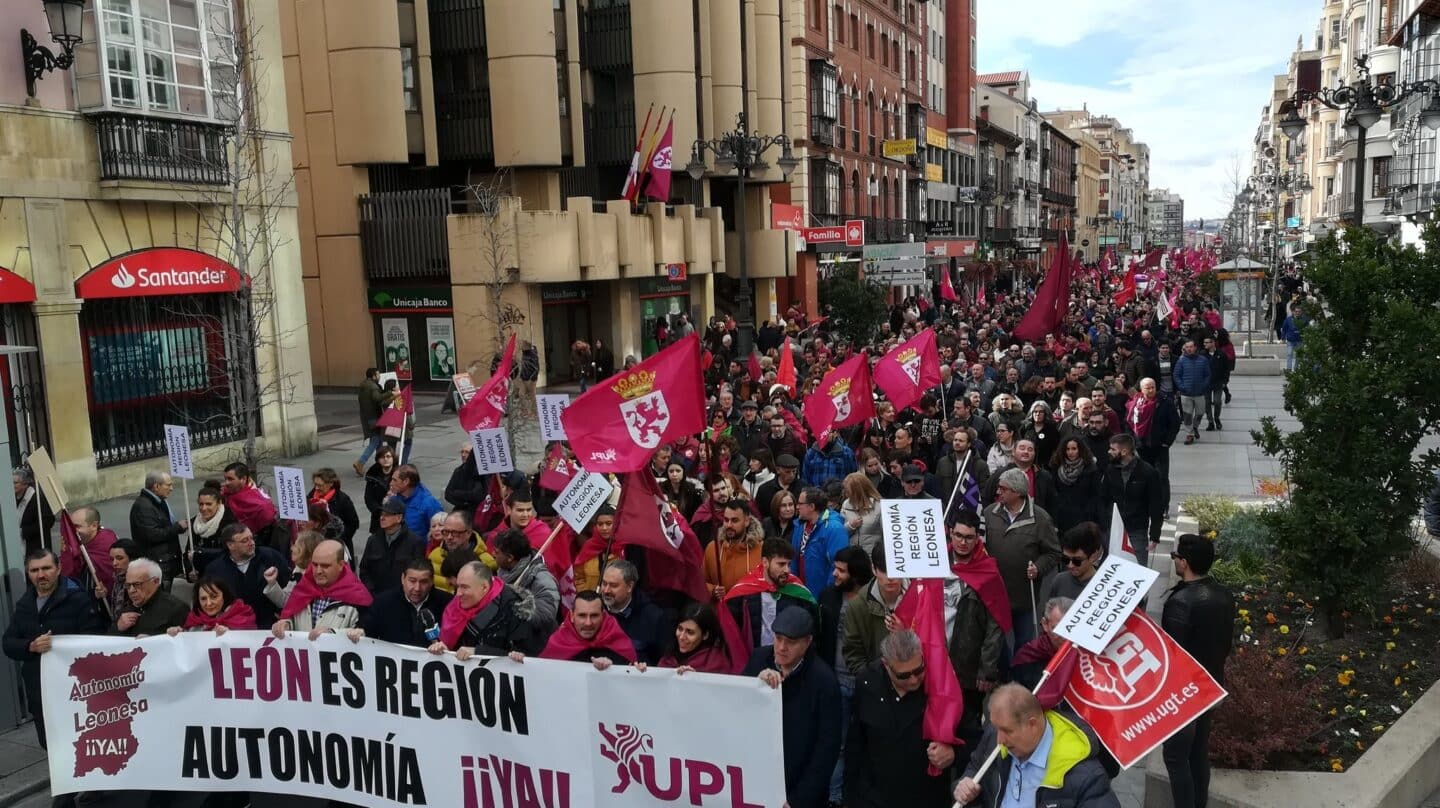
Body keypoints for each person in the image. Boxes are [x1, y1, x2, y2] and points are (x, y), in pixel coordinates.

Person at [3, 548, 108, 748]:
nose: (40, 575)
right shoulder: (25, 605)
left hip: (74, 691)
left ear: (58, 568)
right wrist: (30, 646)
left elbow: (94, 641)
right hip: (40, 692)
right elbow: (8, 643)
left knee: (80, 746)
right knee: (49, 745)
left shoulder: (78, 600)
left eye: (46, 568)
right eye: (34, 570)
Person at [952, 684, 1121, 808]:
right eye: (996, 728)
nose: (1000, 740)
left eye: (1007, 731)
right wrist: (964, 789)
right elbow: (974, 770)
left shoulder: (1085, 775)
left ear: (1032, 724)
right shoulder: (994, 738)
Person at [1162, 534, 1236, 808]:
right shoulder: (1224, 594)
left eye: (1177, 559)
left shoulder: (1180, 602)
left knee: (1176, 756)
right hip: (1211, 684)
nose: (1175, 564)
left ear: (1185, 562)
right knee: (1198, 752)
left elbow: (1172, 655)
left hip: (1185, 693)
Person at [845, 630, 957, 808]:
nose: (913, 680)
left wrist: (953, 753)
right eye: (903, 675)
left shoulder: (941, 685)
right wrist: (850, 798)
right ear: (886, 665)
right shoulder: (867, 682)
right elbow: (855, 744)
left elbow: (974, 740)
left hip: (926, 798)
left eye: (919, 670)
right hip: (875, 797)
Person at [744, 608, 842, 808]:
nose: (781, 647)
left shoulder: (824, 682)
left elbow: (826, 749)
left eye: (791, 642)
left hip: (799, 791)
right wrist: (755, 686)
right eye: (778, 638)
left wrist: (797, 800)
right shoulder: (758, 660)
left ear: (807, 642)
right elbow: (732, 704)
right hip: (758, 783)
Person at [983, 467, 1060, 650]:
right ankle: (1000, 675)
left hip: (1024, 595)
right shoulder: (988, 513)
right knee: (994, 643)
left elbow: (1054, 552)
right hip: (994, 594)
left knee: (1024, 643)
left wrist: (1038, 568)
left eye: (1002, 488)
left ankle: (1022, 676)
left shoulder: (1040, 518)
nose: (997, 491)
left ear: (1016, 492)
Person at [722, 538, 819, 655]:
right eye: (781, 564)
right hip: (753, 659)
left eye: (789, 564)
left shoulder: (799, 594)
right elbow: (731, 634)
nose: (787, 570)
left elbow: (810, 633)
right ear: (765, 562)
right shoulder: (744, 592)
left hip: (788, 659)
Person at [430, 560, 540, 657]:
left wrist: (478, 652)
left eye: (464, 587)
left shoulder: (515, 607)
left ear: (484, 587)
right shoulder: (454, 606)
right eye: (458, 586)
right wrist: (444, 650)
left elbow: (523, 654)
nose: (458, 593)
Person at [273, 540, 373, 638]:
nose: (318, 571)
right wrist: (286, 624)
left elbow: (365, 634)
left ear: (341, 565)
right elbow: (292, 616)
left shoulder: (358, 597)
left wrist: (332, 634)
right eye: (315, 565)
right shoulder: (303, 588)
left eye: (325, 566)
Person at [205, 524, 290, 629]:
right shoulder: (215, 570)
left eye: (252, 538)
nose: (252, 543)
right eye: (245, 541)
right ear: (231, 545)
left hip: (269, 626)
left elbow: (289, 591)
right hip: (232, 630)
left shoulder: (271, 557)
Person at [1102, 434, 1166, 567]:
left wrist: (1155, 534)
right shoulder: (1110, 470)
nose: (1109, 452)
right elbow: (1103, 498)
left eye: (1113, 449)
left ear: (1124, 451)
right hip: (1114, 529)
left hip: (1136, 530)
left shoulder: (1148, 473)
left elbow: (1156, 505)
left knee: (1137, 571)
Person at [842, 544, 908, 675]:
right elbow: (853, 654)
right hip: (877, 686)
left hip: (915, 682)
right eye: (884, 570)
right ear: (874, 569)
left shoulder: (920, 598)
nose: (890, 577)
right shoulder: (858, 606)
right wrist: (873, 684)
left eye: (896, 569)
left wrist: (905, 633)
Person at [363, 558, 454, 648]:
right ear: (403, 578)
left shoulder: (447, 603)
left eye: (423, 582)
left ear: (431, 581)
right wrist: (361, 632)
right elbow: (367, 630)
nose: (417, 588)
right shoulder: (383, 602)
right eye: (412, 581)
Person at [535, 590, 636, 669]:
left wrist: (613, 665)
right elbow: (538, 675)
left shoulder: (617, 639)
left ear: (603, 616)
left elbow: (631, 678)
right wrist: (520, 662)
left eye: (594, 615)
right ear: (572, 616)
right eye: (582, 615)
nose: (588, 623)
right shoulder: (557, 642)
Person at [493, 527, 561, 636]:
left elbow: (546, 617)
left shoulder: (542, 580)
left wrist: (516, 603)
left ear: (510, 557)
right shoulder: (501, 573)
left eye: (496, 552)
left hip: (534, 644)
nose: (493, 554)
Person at [599, 559, 668, 664]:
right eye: (604, 584)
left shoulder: (653, 617)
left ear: (630, 587)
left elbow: (662, 661)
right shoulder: (593, 610)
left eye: (613, 585)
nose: (606, 590)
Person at [129, 469, 189, 586]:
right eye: (168, 485)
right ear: (156, 486)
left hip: (167, 561)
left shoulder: (159, 502)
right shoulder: (143, 507)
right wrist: (177, 527)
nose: (171, 488)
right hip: (160, 564)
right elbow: (152, 535)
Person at [360, 495, 427, 594]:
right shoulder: (373, 540)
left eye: (387, 514)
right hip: (376, 597)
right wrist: (371, 590)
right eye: (381, 514)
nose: (382, 518)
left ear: (399, 518)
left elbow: (418, 573)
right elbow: (364, 569)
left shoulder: (415, 542)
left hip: (402, 597)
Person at [704, 500, 766, 600]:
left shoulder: (761, 550)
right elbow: (701, 582)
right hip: (720, 610)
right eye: (726, 520)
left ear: (746, 521)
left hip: (748, 611)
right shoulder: (712, 548)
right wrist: (713, 590)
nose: (729, 525)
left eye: (734, 520)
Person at [794, 486, 849, 597]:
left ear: (811, 506)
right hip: (800, 592)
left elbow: (838, 565)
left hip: (821, 596)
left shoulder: (835, 529)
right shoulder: (799, 525)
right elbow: (794, 558)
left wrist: (828, 595)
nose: (797, 507)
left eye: (800, 504)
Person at [115, 558, 190, 637]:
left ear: (155, 581)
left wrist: (153, 640)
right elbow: (108, 641)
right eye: (128, 585)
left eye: (137, 584)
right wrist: (118, 628)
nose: (131, 590)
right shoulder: (127, 608)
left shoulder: (176, 609)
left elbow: (187, 642)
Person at [429, 510, 497, 593]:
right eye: (446, 532)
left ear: (468, 533)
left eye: (455, 533)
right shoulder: (434, 555)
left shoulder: (486, 561)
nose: (449, 537)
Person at [656, 602, 733, 673]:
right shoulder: (669, 656)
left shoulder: (716, 663)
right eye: (680, 629)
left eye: (690, 632)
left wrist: (695, 679)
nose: (682, 637)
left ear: (705, 635)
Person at [166, 575, 256, 635]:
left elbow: (251, 643)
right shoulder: (194, 620)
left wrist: (230, 635)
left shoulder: (242, 615)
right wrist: (179, 634)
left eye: (214, 596)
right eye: (203, 599)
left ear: (224, 595)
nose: (208, 603)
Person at [60, 505, 117, 598]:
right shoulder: (81, 542)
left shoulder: (106, 542)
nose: (72, 531)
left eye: (77, 526)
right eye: (71, 527)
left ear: (94, 526)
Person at [1049, 438, 1102, 534]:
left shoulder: (1090, 469)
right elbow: (1053, 493)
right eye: (1067, 449)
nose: (1070, 452)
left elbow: (1095, 495)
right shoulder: (1056, 466)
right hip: (1062, 517)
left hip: (1084, 517)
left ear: (1080, 450)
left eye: (1074, 449)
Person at [1042, 522, 1105, 603]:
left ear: (1093, 556)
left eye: (1077, 561)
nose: (1070, 565)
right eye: (1066, 559)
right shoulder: (1059, 581)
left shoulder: (1103, 588)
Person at [221, 462, 279, 549]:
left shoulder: (261, 505)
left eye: (230, 479)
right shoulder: (226, 493)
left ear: (243, 479)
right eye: (225, 479)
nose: (226, 483)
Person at [354, 367, 397, 475]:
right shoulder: (372, 387)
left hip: (367, 417)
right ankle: (360, 462)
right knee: (376, 440)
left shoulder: (364, 385)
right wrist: (390, 393)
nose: (379, 377)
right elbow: (378, 399)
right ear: (373, 375)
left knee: (379, 442)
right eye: (378, 375)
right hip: (374, 417)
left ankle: (380, 464)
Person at [188, 481, 236, 577]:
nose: (204, 508)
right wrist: (190, 572)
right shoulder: (194, 522)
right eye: (201, 504)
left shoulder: (230, 522)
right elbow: (188, 551)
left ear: (219, 503)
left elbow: (232, 552)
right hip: (202, 577)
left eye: (209, 504)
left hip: (225, 576)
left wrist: (200, 553)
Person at [309, 467, 360, 556]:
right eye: (315, 484)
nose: (316, 488)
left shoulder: (342, 500)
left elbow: (353, 523)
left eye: (320, 485)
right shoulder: (311, 496)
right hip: (316, 544)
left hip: (337, 547)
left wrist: (339, 540)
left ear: (331, 484)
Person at [573, 505, 623, 593]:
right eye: (600, 524)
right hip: (591, 602)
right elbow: (578, 576)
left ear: (616, 524)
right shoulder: (588, 546)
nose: (604, 528)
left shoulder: (623, 546)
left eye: (608, 524)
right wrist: (585, 594)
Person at [388, 464, 445, 538]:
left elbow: (441, 533)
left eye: (394, 480)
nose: (391, 483)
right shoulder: (394, 499)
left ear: (406, 481)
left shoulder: (429, 504)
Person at [1173, 340, 1211, 446]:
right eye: (1187, 347)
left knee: (1200, 413)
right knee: (1187, 415)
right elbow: (1176, 375)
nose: (1189, 349)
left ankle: (1195, 427)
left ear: (1195, 347)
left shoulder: (1203, 360)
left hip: (1200, 393)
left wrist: (1204, 386)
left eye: (1191, 347)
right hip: (1186, 394)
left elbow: (1208, 375)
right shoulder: (1181, 360)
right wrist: (1182, 387)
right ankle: (1189, 434)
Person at [840, 472, 884, 554]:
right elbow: (840, 532)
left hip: (872, 557)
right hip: (852, 556)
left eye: (848, 491)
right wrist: (850, 526)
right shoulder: (846, 504)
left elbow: (886, 535)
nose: (846, 494)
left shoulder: (879, 506)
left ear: (858, 491)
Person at [13, 468, 54, 555]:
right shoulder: (13, 498)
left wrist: (23, 532)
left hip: (36, 545)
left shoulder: (38, 499)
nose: (12, 485)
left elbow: (48, 521)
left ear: (25, 484)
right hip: (20, 544)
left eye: (15, 483)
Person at [444, 443, 488, 516]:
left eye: (467, 452)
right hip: (461, 510)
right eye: (462, 452)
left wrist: (458, 493)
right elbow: (448, 494)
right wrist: (465, 502)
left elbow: (477, 495)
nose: (463, 455)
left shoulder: (482, 473)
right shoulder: (458, 471)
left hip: (477, 512)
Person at [102, 538, 142, 618]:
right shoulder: (118, 580)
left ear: (132, 559)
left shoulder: (142, 582)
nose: (114, 563)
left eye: (119, 558)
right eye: (112, 559)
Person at [364, 444, 398, 534]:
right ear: (378, 460)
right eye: (382, 457)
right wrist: (380, 512)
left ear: (393, 458)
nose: (386, 459)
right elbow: (369, 498)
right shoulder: (372, 476)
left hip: (395, 517)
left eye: (388, 456)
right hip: (378, 518)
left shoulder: (399, 475)